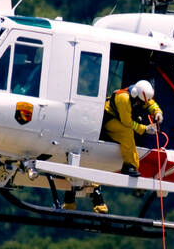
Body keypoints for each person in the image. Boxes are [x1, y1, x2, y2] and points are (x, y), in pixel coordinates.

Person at [65, 79, 163, 214]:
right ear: (136, 96)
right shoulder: (123, 99)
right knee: (126, 133)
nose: (142, 104)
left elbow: (149, 103)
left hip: (119, 118)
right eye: (140, 102)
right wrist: (145, 129)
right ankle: (130, 165)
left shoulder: (139, 94)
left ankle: (131, 165)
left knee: (128, 131)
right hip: (110, 120)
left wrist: (157, 112)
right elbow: (127, 122)